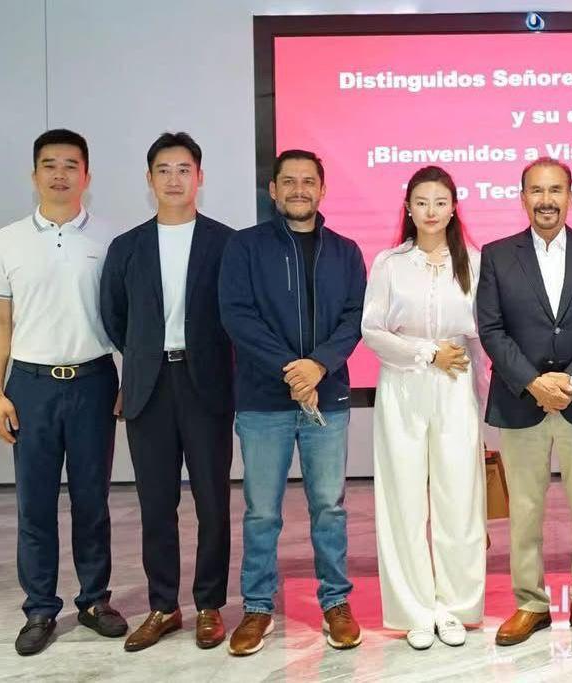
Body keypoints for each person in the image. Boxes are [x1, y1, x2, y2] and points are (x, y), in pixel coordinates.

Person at [0, 129, 127, 655]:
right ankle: (40, 608)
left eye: (70, 165)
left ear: (87, 175)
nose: (60, 174)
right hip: (31, 387)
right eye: (49, 165)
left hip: (94, 382)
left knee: (93, 500)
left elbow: (129, 318)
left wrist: (129, 377)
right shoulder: (6, 241)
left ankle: (94, 601)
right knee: (35, 504)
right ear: (34, 174)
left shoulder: (111, 239)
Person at [218, 149, 367, 656]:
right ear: (273, 190)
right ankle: (258, 607)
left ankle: (336, 602)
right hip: (263, 401)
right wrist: (292, 369)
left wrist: (318, 366)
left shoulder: (345, 251)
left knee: (330, 507)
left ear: (322, 190)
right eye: (289, 181)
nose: (299, 189)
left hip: (329, 397)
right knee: (262, 511)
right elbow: (237, 316)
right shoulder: (244, 247)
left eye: (308, 181)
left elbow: (355, 317)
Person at [476, 157, 572, 649]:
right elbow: (491, 329)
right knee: (524, 511)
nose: (547, 200)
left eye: (556, 190)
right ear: (523, 198)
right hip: (521, 400)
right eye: (537, 191)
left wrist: (571, 379)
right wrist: (533, 382)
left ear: (570, 196)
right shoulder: (497, 255)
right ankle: (531, 604)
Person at [100, 132, 235, 651]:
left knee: (212, 501)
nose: (174, 179)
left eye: (184, 170)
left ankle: (209, 605)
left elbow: (237, 314)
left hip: (206, 385)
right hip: (149, 387)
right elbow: (114, 316)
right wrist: (139, 359)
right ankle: (163, 606)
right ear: (149, 178)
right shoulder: (127, 247)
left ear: (200, 177)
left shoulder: (226, 243)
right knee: (156, 503)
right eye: (163, 170)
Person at [362, 166, 487, 650]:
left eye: (440, 202)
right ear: (408, 209)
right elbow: (372, 330)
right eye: (421, 202)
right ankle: (413, 610)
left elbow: (483, 335)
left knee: (460, 497)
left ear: (454, 208)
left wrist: (484, 394)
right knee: (404, 499)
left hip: (457, 386)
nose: (431, 211)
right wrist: (427, 353)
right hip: (403, 385)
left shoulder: (474, 262)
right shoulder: (390, 263)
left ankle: (456, 607)